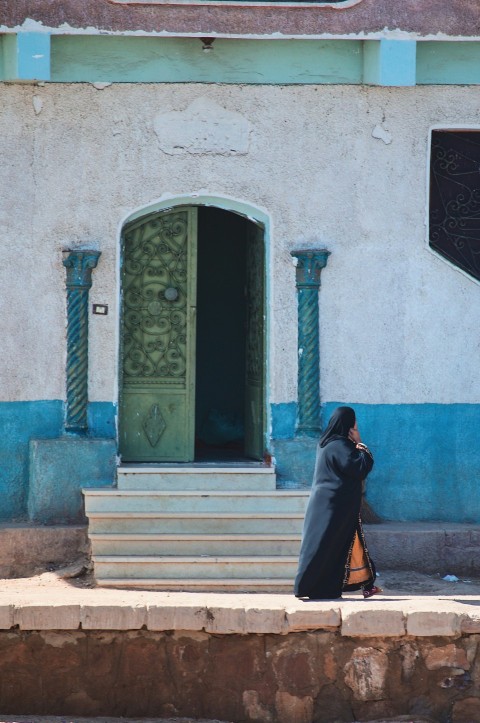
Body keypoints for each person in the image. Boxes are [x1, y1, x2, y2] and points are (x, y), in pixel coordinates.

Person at [294, 406, 382, 600]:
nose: (356, 426)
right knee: (331, 546)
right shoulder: (341, 446)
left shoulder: (325, 443)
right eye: (354, 423)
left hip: (326, 504)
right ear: (348, 425)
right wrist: (361, 444)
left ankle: (358, 584)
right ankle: (313, 587)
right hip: (335, 506)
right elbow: (360, 468)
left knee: (329, 544)